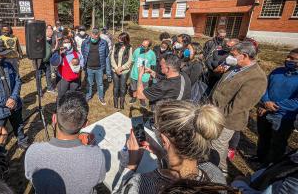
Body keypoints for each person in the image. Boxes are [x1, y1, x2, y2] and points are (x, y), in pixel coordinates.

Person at [113, 100, 226, 194]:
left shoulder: (142, 184)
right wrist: (160, 153)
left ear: (164, 140)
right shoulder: (216, 175)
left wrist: (132, 164)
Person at [24, 91, 106, 194]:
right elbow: (100, 179)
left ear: (54, 119)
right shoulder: (97, 155)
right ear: (85, 124)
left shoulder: (33, 152)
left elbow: (31, 178)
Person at [210, 41, 267, 174]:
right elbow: (220, 87)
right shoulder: (235, 67)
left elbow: (239, 106)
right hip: (215, 112)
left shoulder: (256, 78)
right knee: (217, 144)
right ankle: (222, 168)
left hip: (228, 119)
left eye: (233, 54)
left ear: (245, 56)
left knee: (217, 144)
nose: (230, 57)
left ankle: (214, 173)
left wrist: (214, 115)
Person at [255, 48, 298, 165]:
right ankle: (260, 158)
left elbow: (296, 102)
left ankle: (271, 165)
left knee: (278, 142)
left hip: (283, 117)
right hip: (264, 111)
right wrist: (265, 101)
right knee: (263, 137)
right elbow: (264, 87)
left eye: (292, 59)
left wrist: (274, 106)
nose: (287, 59)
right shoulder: (277, 71)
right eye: (288, 56)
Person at [81, 28, 110, 105]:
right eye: (93, 37)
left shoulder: (104, 43)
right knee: (89, 83)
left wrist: (107, 69)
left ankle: (101, 97)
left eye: (96, 37)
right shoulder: (85, 43)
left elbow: (106, 54)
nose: (95, 39)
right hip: (89, 67)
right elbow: (83, 52)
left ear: (99, 35)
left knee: (100, 84)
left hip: (99, 68)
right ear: (91, 34)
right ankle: (88, 96)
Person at [50, 37, 84, 102]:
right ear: (62, 44)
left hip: (75, 79)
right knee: (61, 96)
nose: (66, 44)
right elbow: (53, 62)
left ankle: (70, 108)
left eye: (68, 42)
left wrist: (80, 66)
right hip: (63, 79)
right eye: (64, 42)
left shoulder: (76, 53)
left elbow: (82, 60)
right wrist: (58, 53)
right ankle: (59, 108)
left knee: (72, 95)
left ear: (71, 43)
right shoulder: (60, 53)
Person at [129, 39, 156, 107]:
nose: (142, 47)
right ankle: (134, 97)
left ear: (148, 47)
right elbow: (132, 60)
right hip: (135, 74)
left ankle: (142, 100)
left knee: (144, 89)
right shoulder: (137, 50)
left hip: (145, 76)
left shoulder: (152, 54)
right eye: (141, 45)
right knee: (134, 87)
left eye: (144, 46)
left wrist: (151, 75)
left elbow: (153, 65)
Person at [111, 32, 133, 109]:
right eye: (119, 38)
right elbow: (112, 58)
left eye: (121, 38)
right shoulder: (115, 46)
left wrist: (122, 68)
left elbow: (130, 60)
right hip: (115, 70)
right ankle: (115, 102)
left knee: (123, 87)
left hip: (124, 71)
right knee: (116, 86)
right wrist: (116, 68)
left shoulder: (129, 47)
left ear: (125, 39)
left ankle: (122, 103)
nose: (119, 39)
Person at [37, 25, 55, 94]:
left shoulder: (52, 39)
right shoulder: (40, 38)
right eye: (48, 30)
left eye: (51, 30)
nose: (50, 32)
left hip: (47, 61)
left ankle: (49, 88)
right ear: (45, 31)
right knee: (38, 77)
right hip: (39, 62)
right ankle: (40, 91)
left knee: (48, 75)